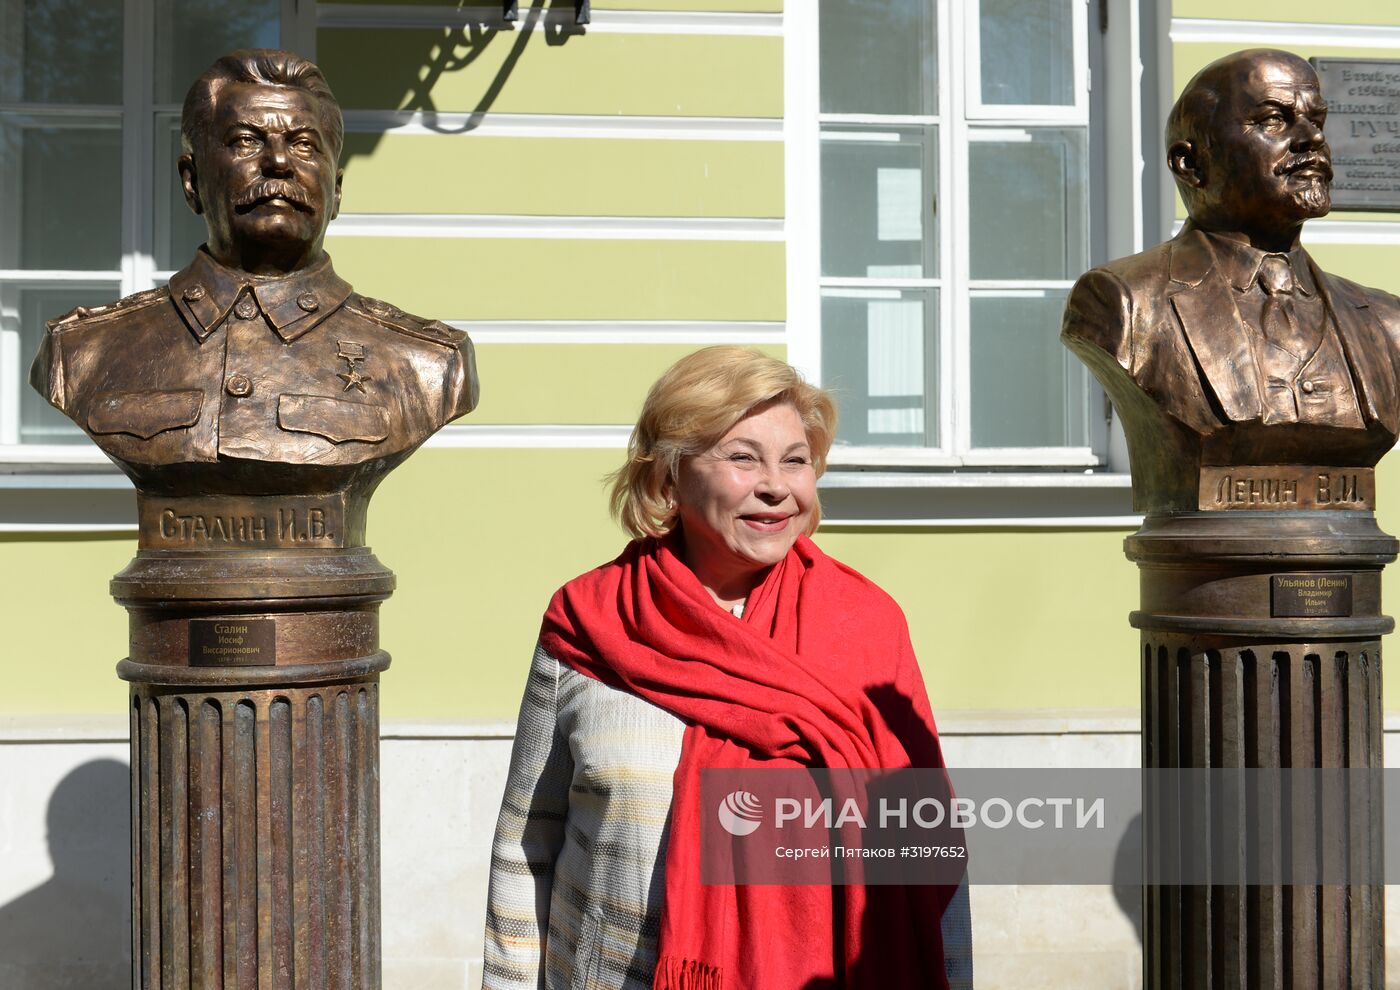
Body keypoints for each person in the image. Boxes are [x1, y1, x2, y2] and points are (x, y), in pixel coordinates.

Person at [483, 346, 971, 990]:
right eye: (743, 457)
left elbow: (928, 855)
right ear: (669, 477)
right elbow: (526, 849)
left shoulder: (866, 627)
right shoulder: (590, 621)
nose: (776, 484)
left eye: (795, 461)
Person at [29, 49, 477, 494]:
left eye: (304, 144)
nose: (279, 163)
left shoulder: (426, 363)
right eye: (246, 140)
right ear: (192, 181)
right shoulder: (83, 351)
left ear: (336, 190)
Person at [1062, 49, 1400, 512]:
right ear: (1191, 163)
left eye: (1316, 119)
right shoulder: (1124, 303)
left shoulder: (1385, 323)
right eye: (1274, 120)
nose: (1312, 138)